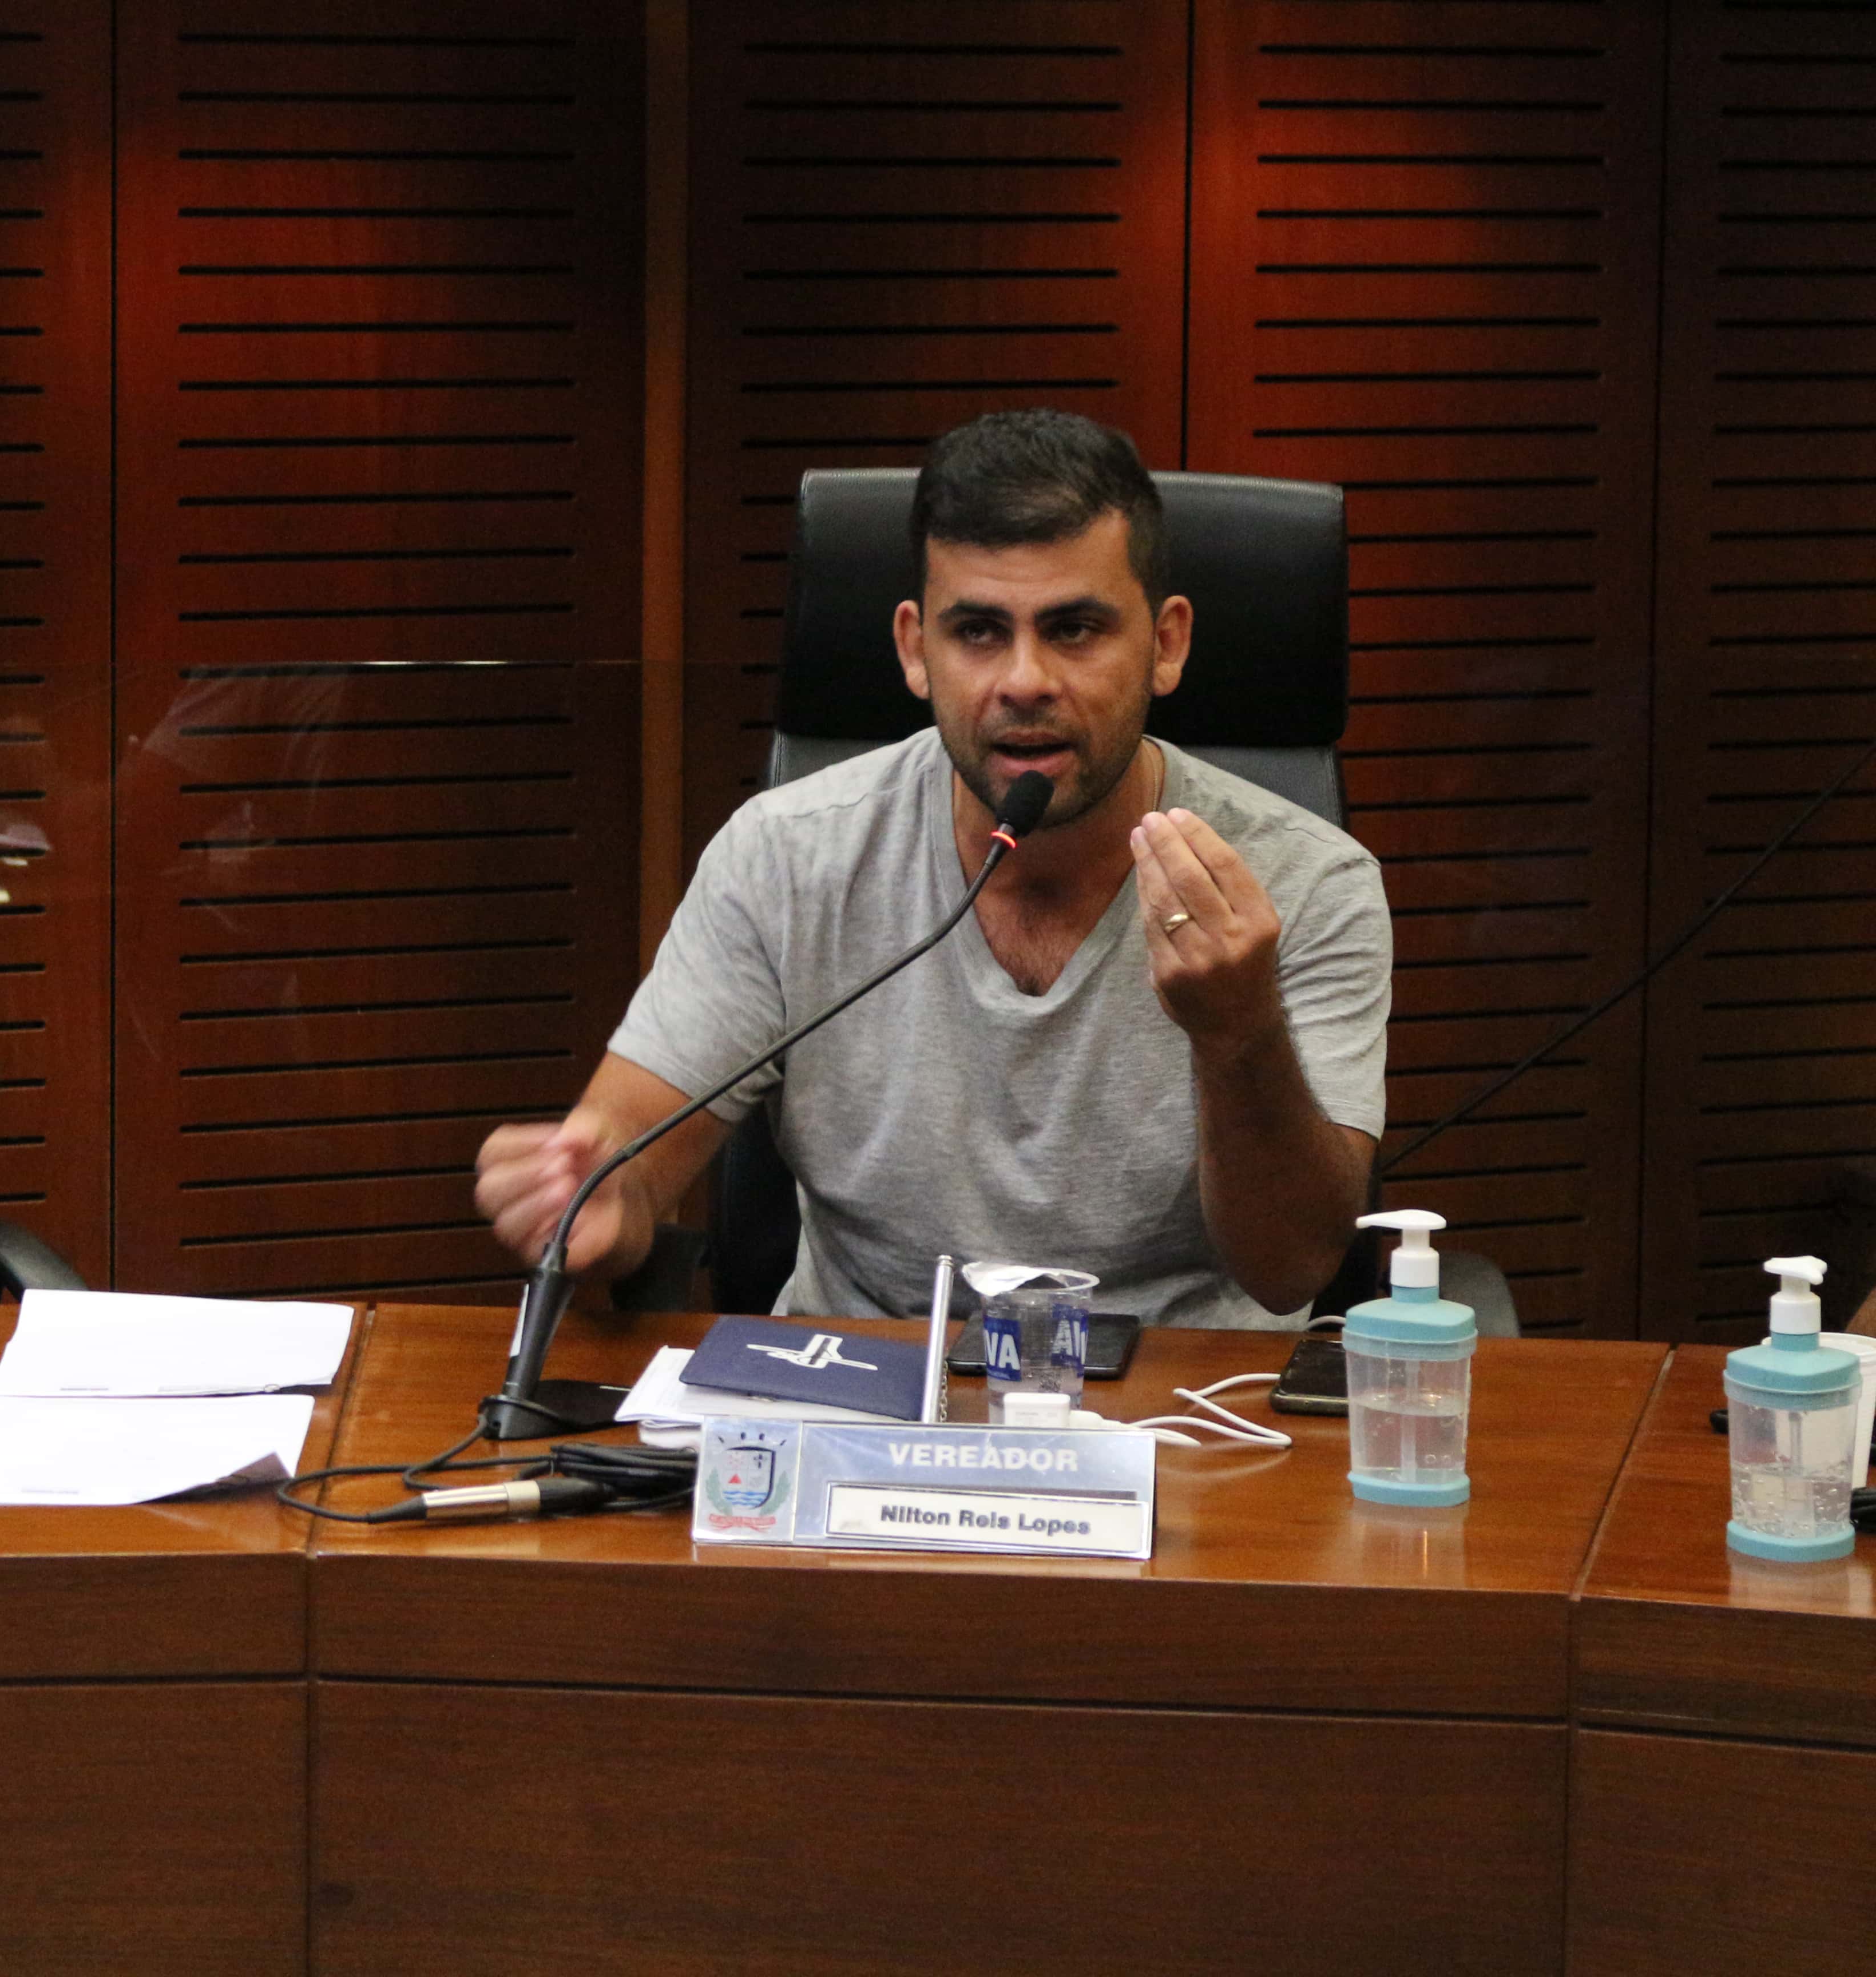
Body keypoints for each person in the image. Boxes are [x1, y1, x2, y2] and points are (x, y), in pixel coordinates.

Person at [474, 409, 1389, 1327]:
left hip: (1185, 1397)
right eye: (979, 631)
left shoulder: (1308, 883)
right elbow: (628, 1167)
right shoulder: (785, 856)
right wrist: (594, 1202)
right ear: (916, 649)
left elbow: (1292, 1268)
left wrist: (1239, 1033)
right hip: (861, 1380)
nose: (1025, 680)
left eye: (1075, 629)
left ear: (1168, 643)